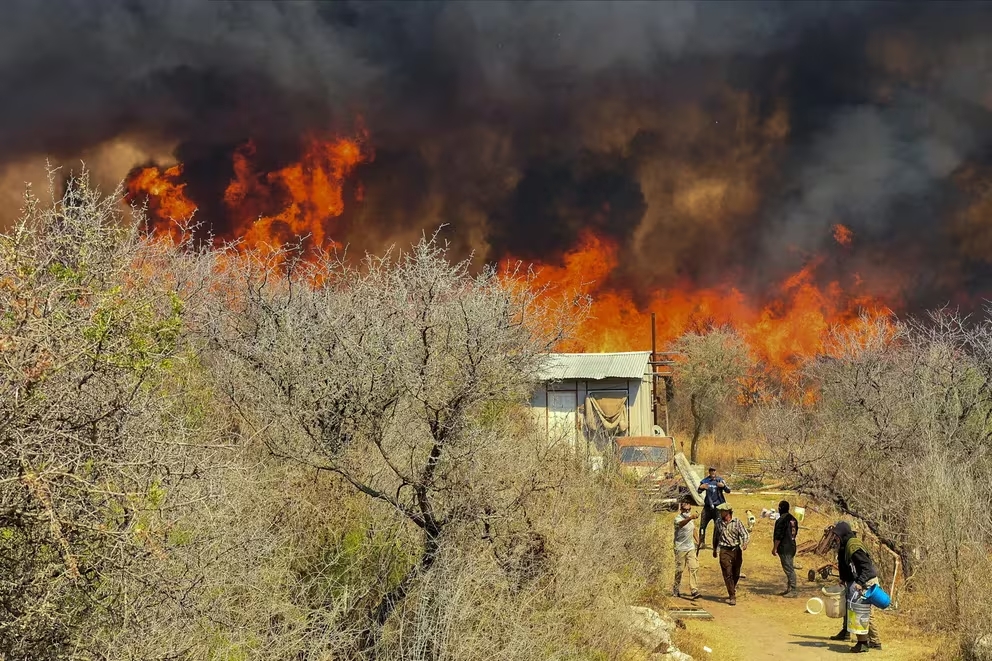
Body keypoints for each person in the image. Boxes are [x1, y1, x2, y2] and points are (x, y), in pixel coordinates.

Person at [829, 521, 882, 653]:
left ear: (842, 534)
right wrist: (844, 579)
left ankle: (868, 643)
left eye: (836, 534)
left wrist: (859, 582)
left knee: (864, 613)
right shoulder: (846, 545)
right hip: (862, 581)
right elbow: (846, 565)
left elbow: (867, 569)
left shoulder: (854, 547)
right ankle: (870, 642)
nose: (835, 537)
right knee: (862, 613)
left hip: (867, 582)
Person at [713, 502, 749, 605]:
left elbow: (745, 534)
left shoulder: (737, 522)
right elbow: (715, 536)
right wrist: (715, 549)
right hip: (724, 550)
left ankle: (732, 588)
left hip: (736, 550)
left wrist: (745, 543)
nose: (720, 512)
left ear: (728, 512)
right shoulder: (718, 522)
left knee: (736, 573)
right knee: (727, 572)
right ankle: (732, 595)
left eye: (722, 511)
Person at [697, 466, 731, 550]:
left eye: (714, 471)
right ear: (709, 472)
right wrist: (701, 487)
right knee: (702, 526)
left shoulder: (720, 480)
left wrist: (723, 486)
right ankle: (701, 542)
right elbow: (699, 491)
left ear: (716, 471)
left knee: (718, 527)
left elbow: (728, 490)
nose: (712, 472)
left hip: (718, 507)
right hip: (707, 507)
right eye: (711, 471)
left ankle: (718, 544)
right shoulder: (705, 481)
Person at [672, 499, 700, 599]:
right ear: (681, 509)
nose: (688, 512)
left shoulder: (690, 519)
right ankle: (676, 588)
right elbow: (681, 524)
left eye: (689, 509)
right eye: (686, 510)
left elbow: (693, 529)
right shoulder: (678, 519)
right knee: (679, 569)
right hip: (680, 548)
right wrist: (690, 518)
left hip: (690, 547)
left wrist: (698, 540)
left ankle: (694, 589)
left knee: (694, 567)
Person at [772, 500, 799, 597]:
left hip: (784, 548)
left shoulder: (781, 520)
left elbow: (778, 536)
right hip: (792, 546)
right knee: (789, 566)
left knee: (789, 569)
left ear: (780, 508)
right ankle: (789, 589)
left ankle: (793, 590)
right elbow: (795, 533)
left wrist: (775, 548)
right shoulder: (793, 519)